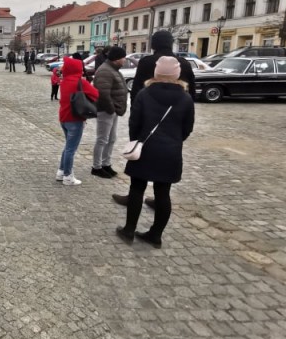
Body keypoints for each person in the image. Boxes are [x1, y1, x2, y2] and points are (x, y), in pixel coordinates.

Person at [115, 56, 195, 248]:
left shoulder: (145, 93)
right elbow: (187, 128)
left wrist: (137, 141)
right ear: (177, 74)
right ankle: (155, 235)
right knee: (163, 193)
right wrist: (174, 140)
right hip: (170, 151)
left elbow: (134, 123)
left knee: (136, 189)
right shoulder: (185, 98)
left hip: (145, 148)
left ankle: (129, 230)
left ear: (156, 73)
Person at [113, 30, 196, 207]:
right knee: (165, 172)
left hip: (146, 121)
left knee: (139, 161)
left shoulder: (147, 62)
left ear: (153, 44)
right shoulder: (184, 64)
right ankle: (160, 200)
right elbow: (192, 94)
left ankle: (133, 197)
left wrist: (136, 122)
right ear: (171, 43)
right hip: (174, 123)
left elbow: (136, 92)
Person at [55, 56, 99, 185]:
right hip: (75, 118)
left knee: (68, 146)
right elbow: (96, 94)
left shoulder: (64, 81)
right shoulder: (80, 82)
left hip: (63, 117)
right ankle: (68, 176)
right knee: (71, 149)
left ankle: (61, 171)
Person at [91, 46, 128, 179]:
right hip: (106, 110)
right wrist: (111, 108)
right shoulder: (105, 70)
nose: (124, 60)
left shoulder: (113, 69)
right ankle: (96, 167)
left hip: (113, 110)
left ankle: (106, 163)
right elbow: (103, 93)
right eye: (123, 57)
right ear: (116, 58)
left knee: (111, 139)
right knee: (102, 139)